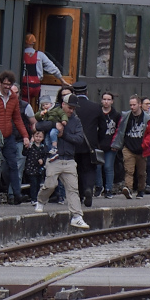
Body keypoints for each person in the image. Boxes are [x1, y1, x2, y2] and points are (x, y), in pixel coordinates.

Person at [40, 93, 89, 228]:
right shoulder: (53, 114)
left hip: (69, 159)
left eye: (74, 108)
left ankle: (77, 216)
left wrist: (64, 134)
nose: (71, 110)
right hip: (54, 158)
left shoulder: (76, 121)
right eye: (70, 107)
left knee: (73, 189)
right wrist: (53, 125)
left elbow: (79, 139)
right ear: (63, 104)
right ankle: (41, 200)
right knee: (50, 185)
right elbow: (39, 126)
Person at [0, 72, 30, 204]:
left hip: (8, 136)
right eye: (5, 84)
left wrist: (25, 136)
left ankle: (16, 194)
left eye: (10, 84)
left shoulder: (13, 98)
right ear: (0, 83)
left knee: (13, 164)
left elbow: (17, 119)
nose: (7, 87)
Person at [115, 95, 150, 198]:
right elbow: (119, 130)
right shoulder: (126, 116)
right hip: (128, 147)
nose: (132, 107)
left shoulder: (147, 118)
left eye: (134, 105)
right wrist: (117, 143)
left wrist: (144, 145)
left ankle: (141, 189)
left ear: (139, 105)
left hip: (142, 149)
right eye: (130, 105)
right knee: (129, 170)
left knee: (141, 173)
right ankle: (128, 188)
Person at [70, 84, 102, 208]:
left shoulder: (71, 107)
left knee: (76, 170)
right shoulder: (95, 107)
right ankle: (88, 188)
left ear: (74, 93)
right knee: (89, 169)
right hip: (90, 145)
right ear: (86, 92)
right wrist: (97, 141)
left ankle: (80, 194)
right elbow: (103, 127)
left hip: (73, 143)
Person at [21, 33, 62, 110]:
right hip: (36, 86)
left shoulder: (20, 54)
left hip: (24, 86)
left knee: (23, 105)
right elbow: (52, 67)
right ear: (34, 43)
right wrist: (62, 80)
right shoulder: (40, 55)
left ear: (25, 42)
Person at [93, 92, 121, 199]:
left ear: (112, 101)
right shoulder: (97, 113)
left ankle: (108, 189)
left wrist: (116, 144)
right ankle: (99, 187)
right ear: (101, 100)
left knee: (108, 167)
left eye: (108, 99)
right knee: (97, 167)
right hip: (98, 145)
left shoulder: (116, 115)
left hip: (110, 145)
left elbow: (119, 130)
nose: (106, 102)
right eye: (104, 99)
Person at [22, 128, 49, 214]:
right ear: (33, 136)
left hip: (39, 168)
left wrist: (43, 161)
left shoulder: (43, 147)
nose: (38, 138)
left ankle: (38, 198)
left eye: (40, 137)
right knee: (33, 183)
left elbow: (46, 156)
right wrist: (29, 144)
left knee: (38, 184)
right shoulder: (31, 146)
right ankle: (33, 199)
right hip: (31, 167)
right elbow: (24, 153)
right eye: (36, 136)